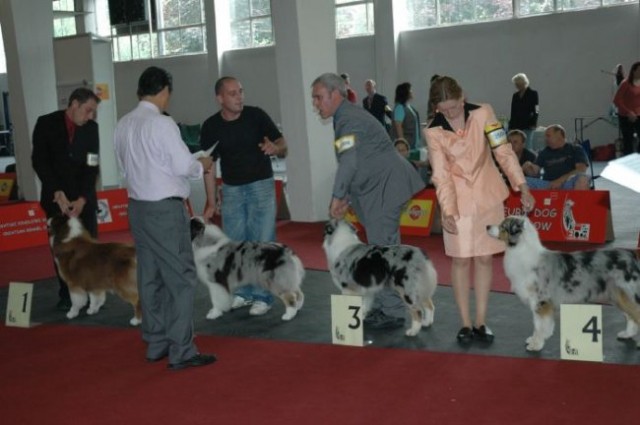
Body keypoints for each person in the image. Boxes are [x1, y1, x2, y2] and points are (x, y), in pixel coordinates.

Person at [114, 66, 216, 370]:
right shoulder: (162, 124)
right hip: (164, 209)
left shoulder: (123, 124)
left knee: (150, 275)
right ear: (165, 92)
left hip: (137, 207)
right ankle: (182, 349)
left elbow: (123, 169)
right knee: (181, 278)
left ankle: (156, 341)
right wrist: (203, 164)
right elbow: (184, 166)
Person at [424, 76, 535, 344]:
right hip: (457, 201)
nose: (450, 113)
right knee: (461, 260)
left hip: (489, 196)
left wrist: (522, 186)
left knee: (485, 258)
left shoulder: (484, 112)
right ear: (437, 107)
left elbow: (503, 151)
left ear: (463, 98)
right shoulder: (433, 132)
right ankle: (464, 323)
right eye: (444, 109)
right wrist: (447, 210)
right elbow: (440, 174)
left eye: (454, 106)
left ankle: (481, 321)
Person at [311, 72, 425, 329]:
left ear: (335, 94)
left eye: (318, 97)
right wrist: (347, 197)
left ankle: (394, 312)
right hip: (378, 189)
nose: (315, 104)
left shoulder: (348, 119)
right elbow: (359, 160)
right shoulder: (346, 117)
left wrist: (338, 196)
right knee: (382, 249)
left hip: (384, 190)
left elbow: (349, 161)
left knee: (383, 253)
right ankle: (387, 307)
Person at [199, 76, 288, 316]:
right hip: (232, 190)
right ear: (220, 98)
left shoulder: (256, 116)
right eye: (233, 93)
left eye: (241, 91)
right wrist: (209, 201)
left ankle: (263, 296)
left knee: (261, 243)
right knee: (236, 246)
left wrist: (275, 148)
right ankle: (243, 293)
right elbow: (208, 166)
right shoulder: (210, 126)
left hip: (261, 186)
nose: (240, 97)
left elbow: (283, 143)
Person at [31, 87, 101, 311]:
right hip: (55, 198)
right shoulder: (46, 123)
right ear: (74, 105)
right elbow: (39, 161)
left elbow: (92, 166)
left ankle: (91, 294)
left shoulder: (92, 129)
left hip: (84, 200)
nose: (90, 116)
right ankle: (66, 294)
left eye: (93, 112)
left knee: (88, 249)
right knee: (61, 251)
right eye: (88, 111)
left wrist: (82, 199)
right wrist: (56, 191)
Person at [521, 124, 591, 190]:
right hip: (548, 184)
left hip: (567, 183)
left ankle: (577, 202)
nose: (546, 139)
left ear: (559, 134)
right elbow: (534, 172)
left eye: (548, 136)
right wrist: (528, 167)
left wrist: (560, 181)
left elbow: (581, 169)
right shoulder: (544, 152)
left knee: (583, 179)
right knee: (520, 181)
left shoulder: (575, 149)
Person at [613, 61, 640, 155]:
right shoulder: (625, 83)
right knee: (628, 141)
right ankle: (629, 163)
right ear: (634, 71)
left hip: (638, 115)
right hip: (626, 116)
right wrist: (629, 112)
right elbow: (617, 100)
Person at [508, 73, 539, 150]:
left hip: (528, 124)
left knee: (527, 145)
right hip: (516, 124)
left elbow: (536, 109)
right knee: (515, 145)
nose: (517, 86)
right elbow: (513, 111)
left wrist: (534, 122)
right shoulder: (515, 95)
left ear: (523, 83)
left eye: (518, 84)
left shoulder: (533, 94)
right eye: (516, 84)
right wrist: (511, 125)